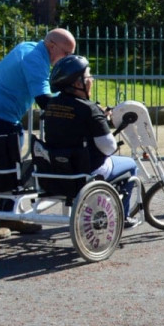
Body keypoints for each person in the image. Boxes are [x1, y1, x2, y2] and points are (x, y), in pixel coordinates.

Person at [0, 27, 76, 239]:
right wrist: (70, 112)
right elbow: (43, 99)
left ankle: (9, 217)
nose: (67, 58)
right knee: (0, 173)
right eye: (66, 53)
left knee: (11, 170)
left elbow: (46, 90)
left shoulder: (30, 48)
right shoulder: (35, 59)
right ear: (51, 45)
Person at [42, 54, 139, 224]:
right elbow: (108, 147)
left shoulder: (51, 104)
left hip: (56, 169)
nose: (92, 79)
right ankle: (122, 216)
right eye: (88, 76)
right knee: (130, 165)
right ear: (78, 83)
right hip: (85, 170)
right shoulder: (90, 109)